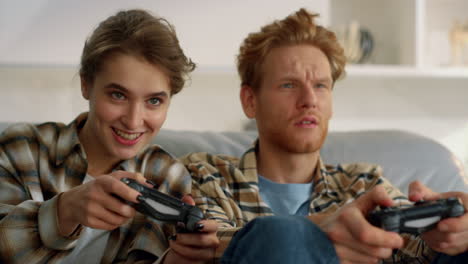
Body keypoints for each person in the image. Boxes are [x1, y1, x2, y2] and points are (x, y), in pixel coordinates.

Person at [173, 8, 468, 264]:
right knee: (279, 236)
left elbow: (418, 250)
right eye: (289, 85)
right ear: (250, 101)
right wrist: (322, 228)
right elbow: (210, 246)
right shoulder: (205, 174)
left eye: (321, 86)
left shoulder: (365, 184)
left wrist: (449, 229)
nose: (309, 100)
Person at [0, 9, 214, 264]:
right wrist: (64, 211)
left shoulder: (167, 175)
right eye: (118, 95)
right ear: (85, 85)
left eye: (154, 101)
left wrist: (176, 259)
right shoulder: (22, 147)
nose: (134, 120)